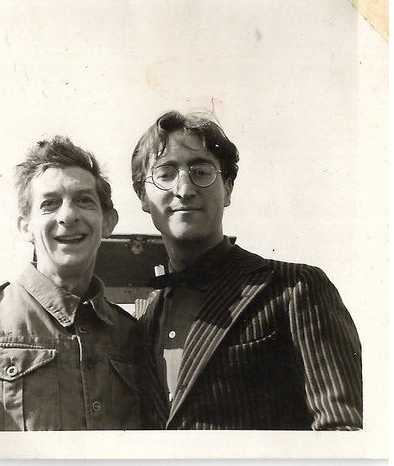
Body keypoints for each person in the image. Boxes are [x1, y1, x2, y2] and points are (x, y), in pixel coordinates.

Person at [131, 110, 362, 430]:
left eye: (201, 171)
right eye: (165, 173)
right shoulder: (143, 318)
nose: (184, 189)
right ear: (144, 197)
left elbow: (342, 430)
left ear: (227, 188)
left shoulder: (294, 288)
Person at [0, 135, 141, 431]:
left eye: (84, 200)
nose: (68, 216)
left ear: (108, 222)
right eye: (50, 204)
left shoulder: (132, 335)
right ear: (25, 226)